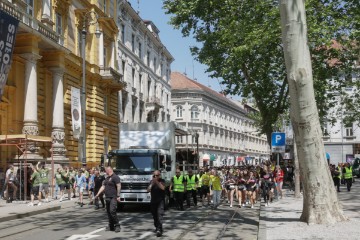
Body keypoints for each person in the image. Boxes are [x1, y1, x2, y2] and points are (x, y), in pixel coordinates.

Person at [95, 166, 121, 233]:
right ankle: (111, 226)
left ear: (109, 170)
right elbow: (103, 186)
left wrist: (118, 195)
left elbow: (119, 186)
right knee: (109, 212)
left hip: (113, 197)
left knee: (112, 211)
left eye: (106, 170)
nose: (105, 172)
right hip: (107, 197)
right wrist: (97, 194)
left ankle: (117, 225)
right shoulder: (107, 178)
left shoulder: (115, 177)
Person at [147, 170, 166, 237]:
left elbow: (163, 188)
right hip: (153, 201)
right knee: (155, 216)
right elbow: (148, 190)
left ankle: (159, 230)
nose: (155, 177)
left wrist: (157, 182)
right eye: (154, 176)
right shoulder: (151, 182)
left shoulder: (162, 181)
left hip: (160, 201)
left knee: (159, 215)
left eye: (156, 175)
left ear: (159, 175)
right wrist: (152, 184)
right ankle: (157, 227)